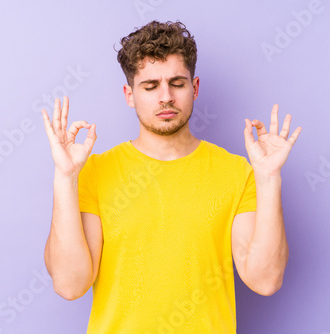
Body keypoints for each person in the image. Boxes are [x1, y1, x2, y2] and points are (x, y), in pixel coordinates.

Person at [41, 20, 301, 333]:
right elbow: (70, 285)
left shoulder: (238, 173)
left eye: (177, 83)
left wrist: (269, 177)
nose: (166, 97)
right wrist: (65, 177)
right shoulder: (95, 173)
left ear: (195, 88)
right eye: (150, 86)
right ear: (129, 94)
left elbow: (265, 280)